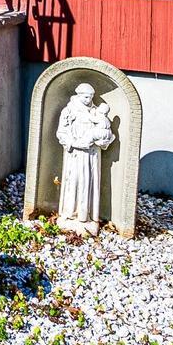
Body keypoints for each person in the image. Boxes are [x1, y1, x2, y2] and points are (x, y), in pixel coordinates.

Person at [55, 82, 115, 236]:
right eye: (86, 96)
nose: (89, 99)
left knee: (88, 183)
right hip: (75, 154)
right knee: (73, 181)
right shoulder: (69, 111)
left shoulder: (96, 112)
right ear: (79, 95)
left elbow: (104, 131)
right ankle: (70, 214)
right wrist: (72, 143)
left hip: (91, 154)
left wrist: (101, 141)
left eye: (91, 96)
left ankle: (85, 217)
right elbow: (61, 132)